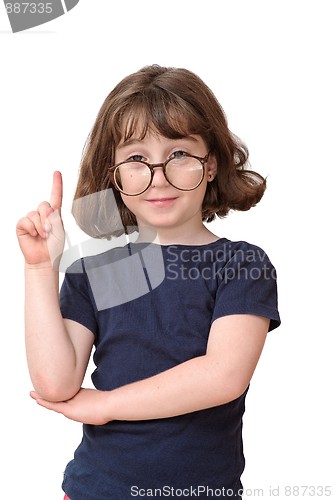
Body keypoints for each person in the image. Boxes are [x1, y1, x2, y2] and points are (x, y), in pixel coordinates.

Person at [16, 64, 281, 500]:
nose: (158, 176)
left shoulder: (241, 264)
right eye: (137, 159)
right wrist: (40, 269)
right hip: (93, 491)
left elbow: (223, 375)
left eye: (178, 154)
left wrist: (105, 405)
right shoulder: (92, 274)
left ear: (210, 165)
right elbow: (56, 384)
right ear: (115, 176)